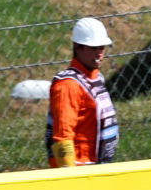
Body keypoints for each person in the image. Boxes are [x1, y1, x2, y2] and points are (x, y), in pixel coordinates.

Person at [45, 16, 119, 168]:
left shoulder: (95, 78)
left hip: (96, 167)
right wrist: (71, 175)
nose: (99, 53)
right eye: (93, 48)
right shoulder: (68, 85)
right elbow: (63, 137)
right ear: (77, 47)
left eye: (102, 47)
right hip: (79, 168)